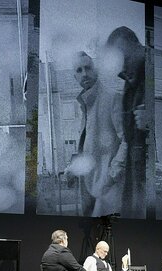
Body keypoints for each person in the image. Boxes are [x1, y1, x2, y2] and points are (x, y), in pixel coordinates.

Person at [65, 51, 127, 217]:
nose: (84, 74)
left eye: (88, 68)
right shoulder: (84, 102)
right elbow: (87, 147)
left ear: (96, 70)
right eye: (79, 70)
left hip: (107, 188)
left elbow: (126, 140)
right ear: (74, 77)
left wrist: (111, 175)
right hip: (87, 187)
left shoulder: (113, 98)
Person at [105, 26, 147, 219]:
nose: (121, 68)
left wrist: (151, 118)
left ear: (136, 46)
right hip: (134, 175)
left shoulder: (150, 75)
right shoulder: (131, 81)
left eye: (123, 57)